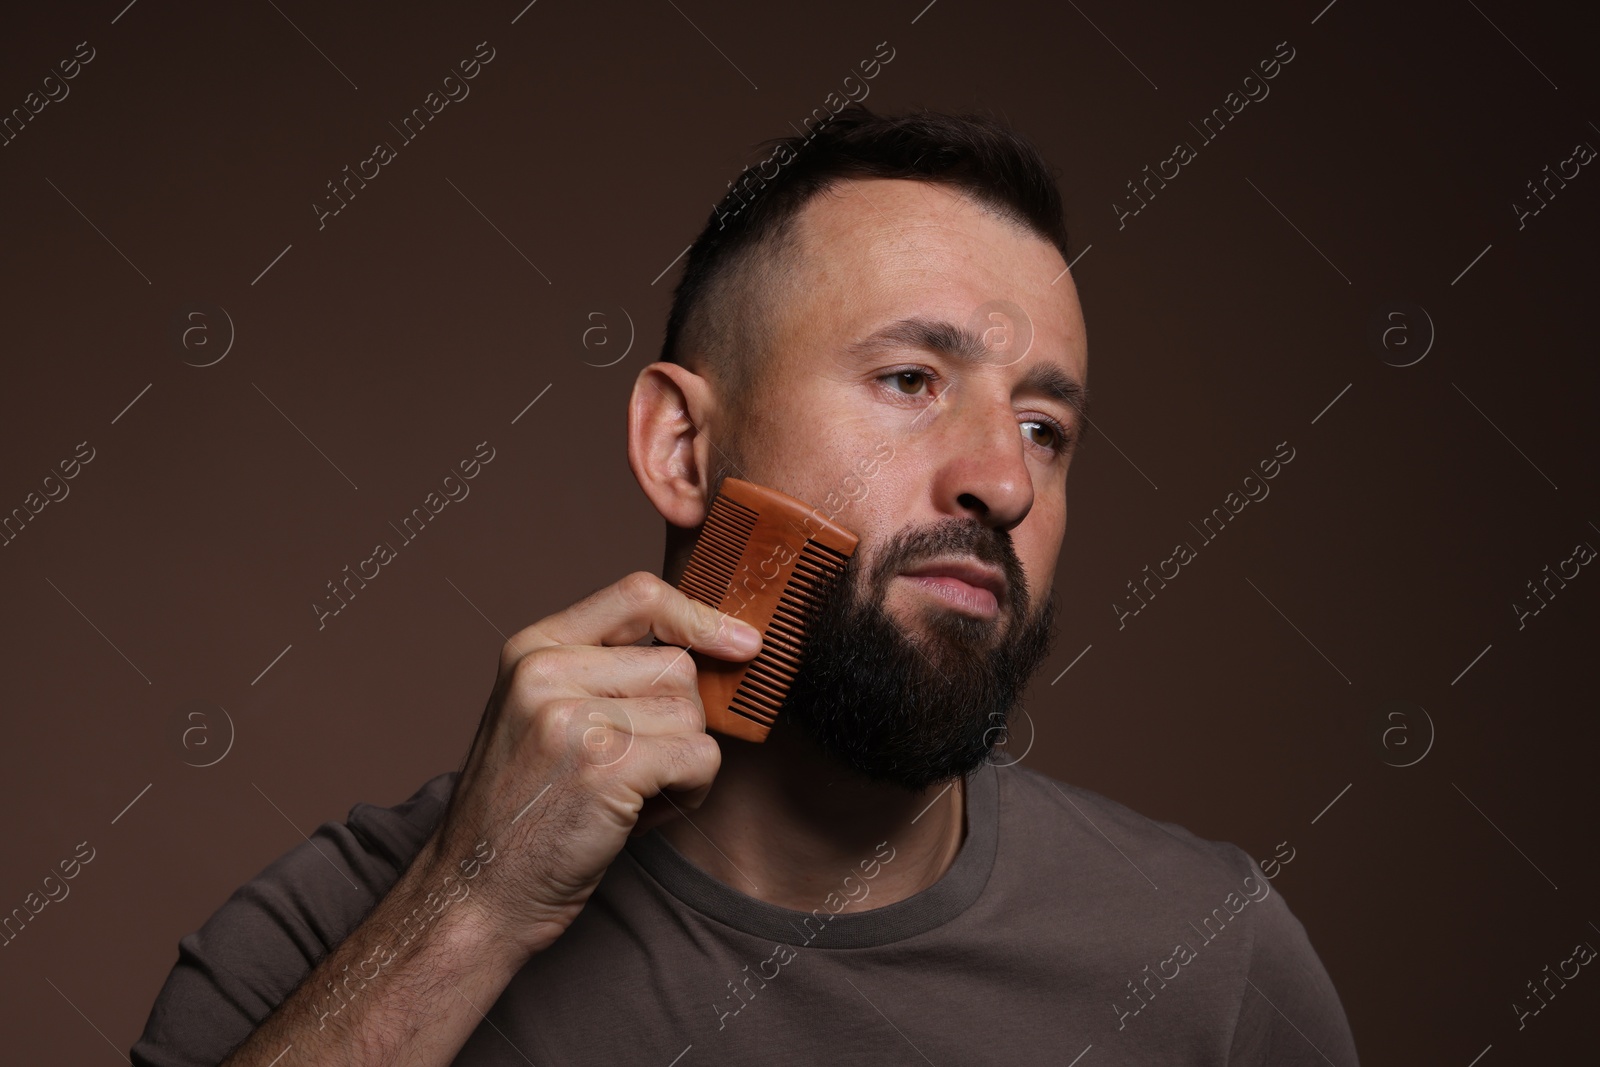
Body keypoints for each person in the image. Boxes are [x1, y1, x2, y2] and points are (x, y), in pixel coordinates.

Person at [131, 104, 1359, 1066]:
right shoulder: (338, 930)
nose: (1004, 482)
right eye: (910, 380)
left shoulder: (1207, 958)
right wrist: (470, 908)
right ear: (681, 449)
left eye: (1044, 426)